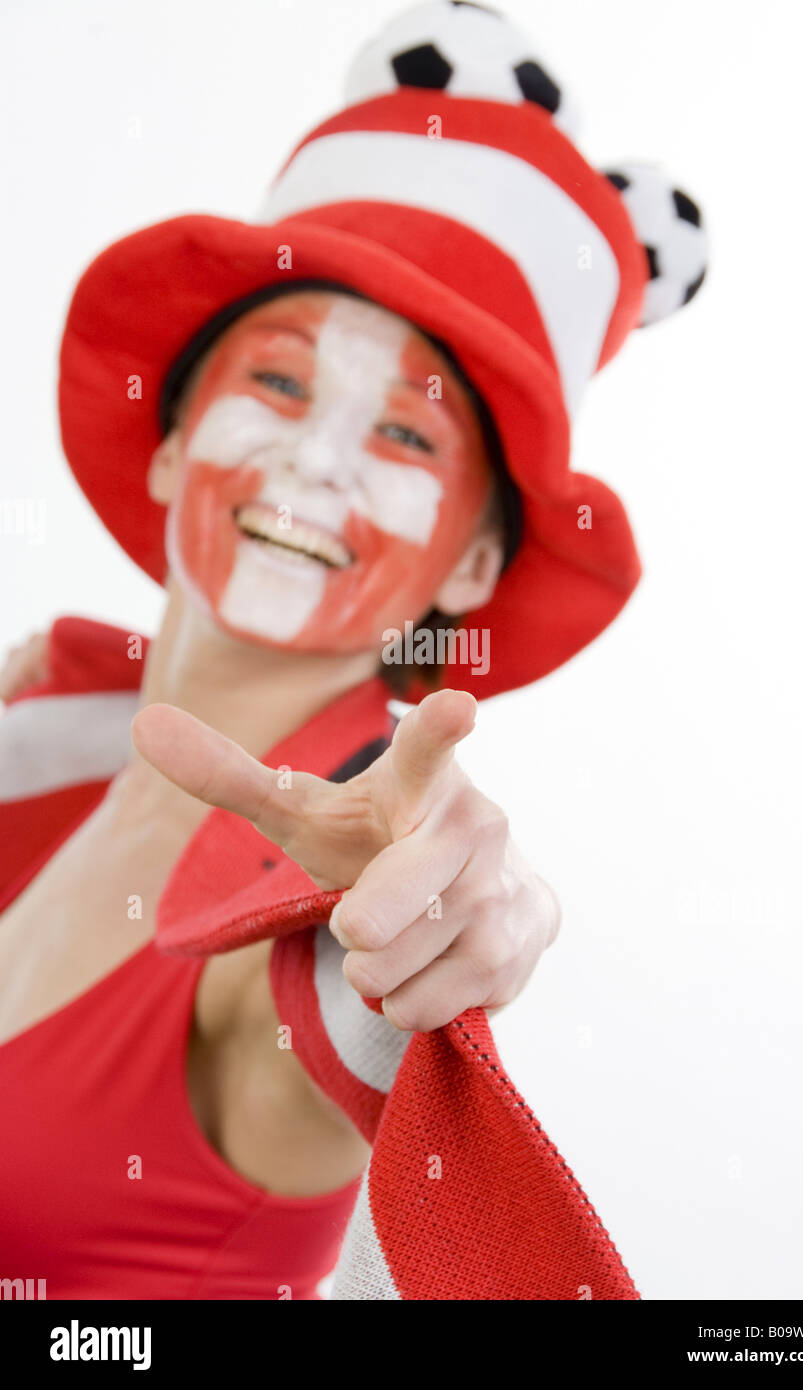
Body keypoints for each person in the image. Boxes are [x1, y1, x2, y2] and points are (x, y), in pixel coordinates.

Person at [0, 2, 705, 1300]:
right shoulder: (40, 758)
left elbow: (358, 989)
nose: (313, 462)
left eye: (404, 436)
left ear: (475, 568)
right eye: (277, 383)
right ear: (168, 442)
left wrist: (447, 930)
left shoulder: (300, 919)